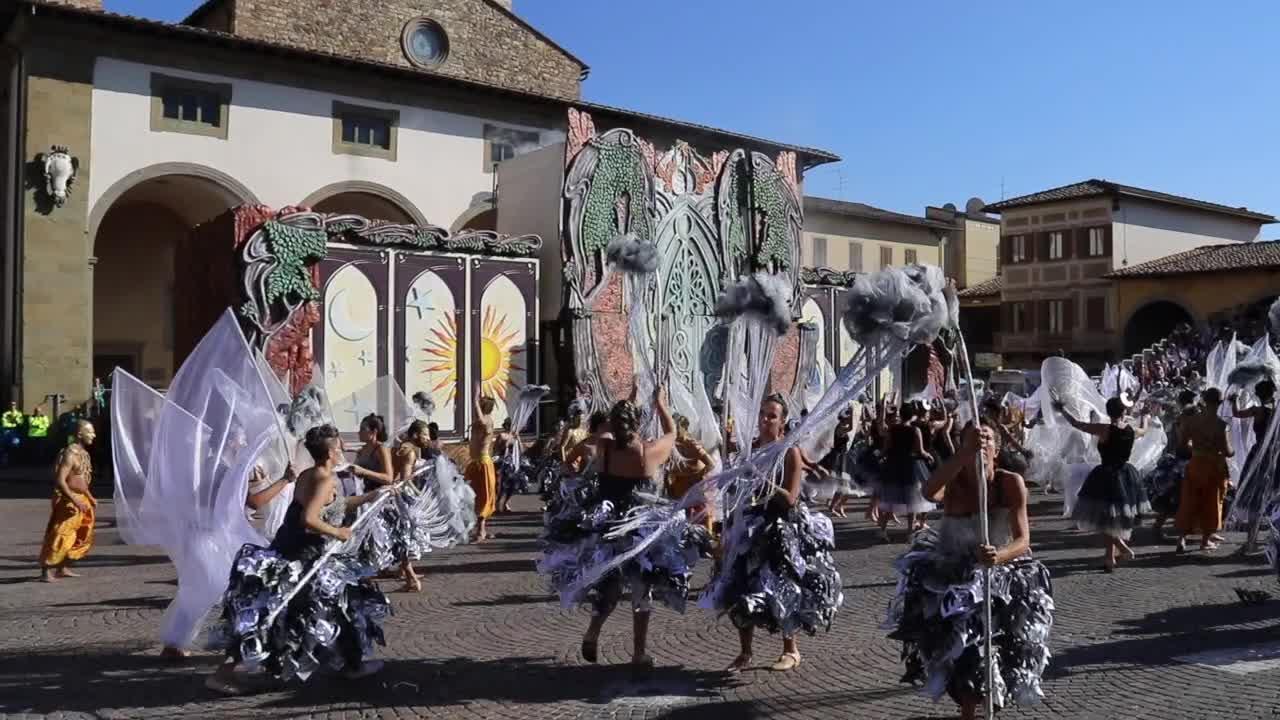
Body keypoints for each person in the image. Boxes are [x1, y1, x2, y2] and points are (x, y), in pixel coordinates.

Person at [885, 421, 1053, 719]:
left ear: (997, 450)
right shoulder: (953, 481)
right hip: (951, 574)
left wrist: (998, 556)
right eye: (972, 439)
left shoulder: (1010, 482)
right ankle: (968, 708)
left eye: (986, 438)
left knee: (993, 649)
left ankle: (976, 707)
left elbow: (1024, 539)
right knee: (959, 652)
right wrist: (964, 454)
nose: (980, 443)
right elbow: (928, 490)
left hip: (997, 575)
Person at [207, 424, 391, 693]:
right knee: (277, 611)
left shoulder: (312, 475)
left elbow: (334, 505)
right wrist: (337, 531)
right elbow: (309, 519)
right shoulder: (323, 479)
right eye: (339, 446)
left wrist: (372, 495)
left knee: (332, 604)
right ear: (330, 452)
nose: (342, 450)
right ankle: (222, 673)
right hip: (302, 556)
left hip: (294, 549)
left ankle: (350, 664)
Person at [708, 394, 842, 673]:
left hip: (779, 528)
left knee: (783, 585)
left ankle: (790, 649)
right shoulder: (750, 451)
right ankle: (745, 652)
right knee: (740, 585)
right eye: (762, 415)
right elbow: (737, 494)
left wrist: (762, 478)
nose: (765, 420)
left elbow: (791, 498)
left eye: (772, 416)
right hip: (748, 526)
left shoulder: (788, 452)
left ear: (782, 422)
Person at [574, 389, 680, 667]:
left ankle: (593, 632)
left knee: (609, 585)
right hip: (636, 532)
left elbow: (606, 430)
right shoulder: (646, 453)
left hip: (607, 528)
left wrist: (617, 416)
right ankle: (638, 652)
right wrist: (661, 405)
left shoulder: (604, 447)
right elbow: (672, 434)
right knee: (641, 590)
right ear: (637, 424)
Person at [1057, 396, 1149, 572]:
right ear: (1124, 412)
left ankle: (1124, 550)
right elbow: (1144, 430)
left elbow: (1077, 423)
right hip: (1126, 475)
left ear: (1108, 412)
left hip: (1107, 475)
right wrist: (1145, 416)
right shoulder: (1131, 430)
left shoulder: (1105, 429)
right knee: (1110, 519)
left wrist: (1062, 409)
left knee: (1105, 520)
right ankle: (1109, 559)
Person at [1175, 387, 1233, 553]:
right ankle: (1205, 540)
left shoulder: (1191, 421)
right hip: (1214, 466)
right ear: (1220, 403)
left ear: (1204, 401)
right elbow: (1228, 451)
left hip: (1195, 463)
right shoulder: (1221, 425)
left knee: (1189, 500)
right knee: (1212, 503)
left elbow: (1182, 444)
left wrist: (1196, 447)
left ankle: (1182, 538)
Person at [38, 420, 97, 582]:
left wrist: (90, 497)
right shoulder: (70, 454)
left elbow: (81, 479)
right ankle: (46, 569)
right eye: (90, 432)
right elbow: (61, 480)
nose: (94, 435)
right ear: (79, 434)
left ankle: (62, 567)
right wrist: (75, 500)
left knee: (81, 534)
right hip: (69, 499)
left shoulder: (84, 453)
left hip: (81, 498)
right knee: (60, 534)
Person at [1228, 380, 1276, 555]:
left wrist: (1233, 400)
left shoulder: (1258, 410)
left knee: (1256, 498)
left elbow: (1236, 413)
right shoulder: (1277, 411)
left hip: (1258, 456)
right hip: (1275, 456)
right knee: (1271, 498)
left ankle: (1251, 541)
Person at [876, 401, 934, 541]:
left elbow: (885, 448)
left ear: (900, 414)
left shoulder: (892, 429)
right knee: (912, 501)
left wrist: (879, 457)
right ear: (912, 415)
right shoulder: (915, 430)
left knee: (889, 500)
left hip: (893, 464)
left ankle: (883, 531)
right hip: (909, 465)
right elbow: (920, 451)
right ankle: (909, 533)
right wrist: (929, 456)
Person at [1147, 389, 1197, 538]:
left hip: (1184, 458)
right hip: (1185, 460)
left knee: (1173, 496)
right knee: (1176, 496)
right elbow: (1184, 442)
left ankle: (1163, 526)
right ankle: (1165, 528)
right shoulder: (1186, 417)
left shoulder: (1184, 417)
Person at [665, 414, 716, 534]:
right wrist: (668, 485)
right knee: (683, 522)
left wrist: (697, 476)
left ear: (684, 428)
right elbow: (667, 468)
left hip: (696, 487)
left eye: (677, 428)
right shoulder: (672, 444)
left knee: (703, 516)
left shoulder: (692, 444)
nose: (674, 431)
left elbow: (711, 464)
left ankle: (707, 540)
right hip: (680, 488)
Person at [467, 383, 498, 541]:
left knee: (483, 497)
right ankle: (479, 529)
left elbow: (479, 417)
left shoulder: (486, 421)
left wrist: (474, 398)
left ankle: (481, 531)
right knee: (472, 496)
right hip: (475, 462)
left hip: (483, 463)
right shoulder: (479, 421)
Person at [0, 400, 23, 466]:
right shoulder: (5, 414)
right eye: (11, 404)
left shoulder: (19, 413)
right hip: (6, 432)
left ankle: (14, 463)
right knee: (4, 447)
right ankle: (5, 463)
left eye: (14, 405)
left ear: (15, 406)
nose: (12, 406)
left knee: (15, 446)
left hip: (15, 432)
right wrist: (14, 421)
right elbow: (4, 423)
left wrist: (15, 420)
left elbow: (20, 423)